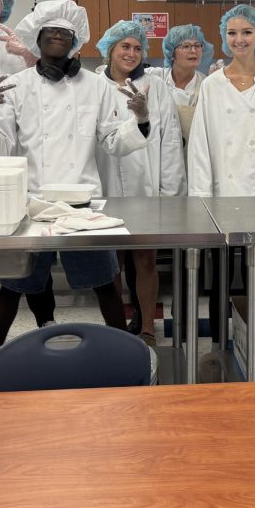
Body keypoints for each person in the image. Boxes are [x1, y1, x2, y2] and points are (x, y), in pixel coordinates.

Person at [0, 0, 150, 345]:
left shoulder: (96, 86)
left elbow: (113, 140)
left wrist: (140, 119)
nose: (58, 36)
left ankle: (123, 350)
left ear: (75, 41)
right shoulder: (16, 85)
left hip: (83, 204)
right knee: (13, 285)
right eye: (51, 30)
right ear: (38, 38)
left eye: (65, 32)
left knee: (106, 283)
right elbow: (0, 147)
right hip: (31, 204)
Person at [188, 4, 255, 340]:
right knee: (219, 273)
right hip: (220, 193)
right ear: (224, 38)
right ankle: (221, 338)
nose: (239, 39)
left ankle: (250, 338)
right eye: (232, 33)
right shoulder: (212, 86)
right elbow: (200, 144)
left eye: (247, 32)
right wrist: (200, 199)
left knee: (254, 271)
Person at [95, 19, 186, 344]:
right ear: (110, 50)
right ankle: (118, 329)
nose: (131, 53)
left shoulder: (156, 86)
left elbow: (170, 140)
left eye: (137, 48)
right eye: (125, 47)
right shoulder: (95, 86)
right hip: (105, 188)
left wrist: (169, 193)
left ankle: (147, 327)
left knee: (145, 259)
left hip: (147, 188)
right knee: (112, 263)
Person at [150, 23, 213, 142]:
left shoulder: (206, 85)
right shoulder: (156, 77)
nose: (193, 50)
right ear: (171, 53)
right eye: (186, 46)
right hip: (160, 153)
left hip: (191, 154)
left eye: (198, 45)